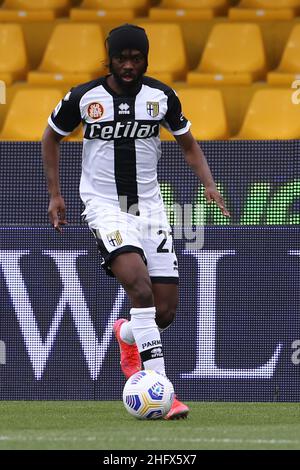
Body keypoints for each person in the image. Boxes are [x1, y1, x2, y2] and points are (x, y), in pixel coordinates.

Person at [42, 24, 230, 420]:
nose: (128, 65)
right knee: (139, 287)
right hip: (105, 205)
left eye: (136, 58)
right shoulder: (84, 97)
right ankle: (163, 393)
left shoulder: (161, 97)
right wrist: (56, 195)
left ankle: (126, 336)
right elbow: (51, 137)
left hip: (147, 206)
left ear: (146, 59)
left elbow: (188, 143)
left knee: (163, 313)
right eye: (121, 58)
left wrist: (209, 185)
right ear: (108, 58)